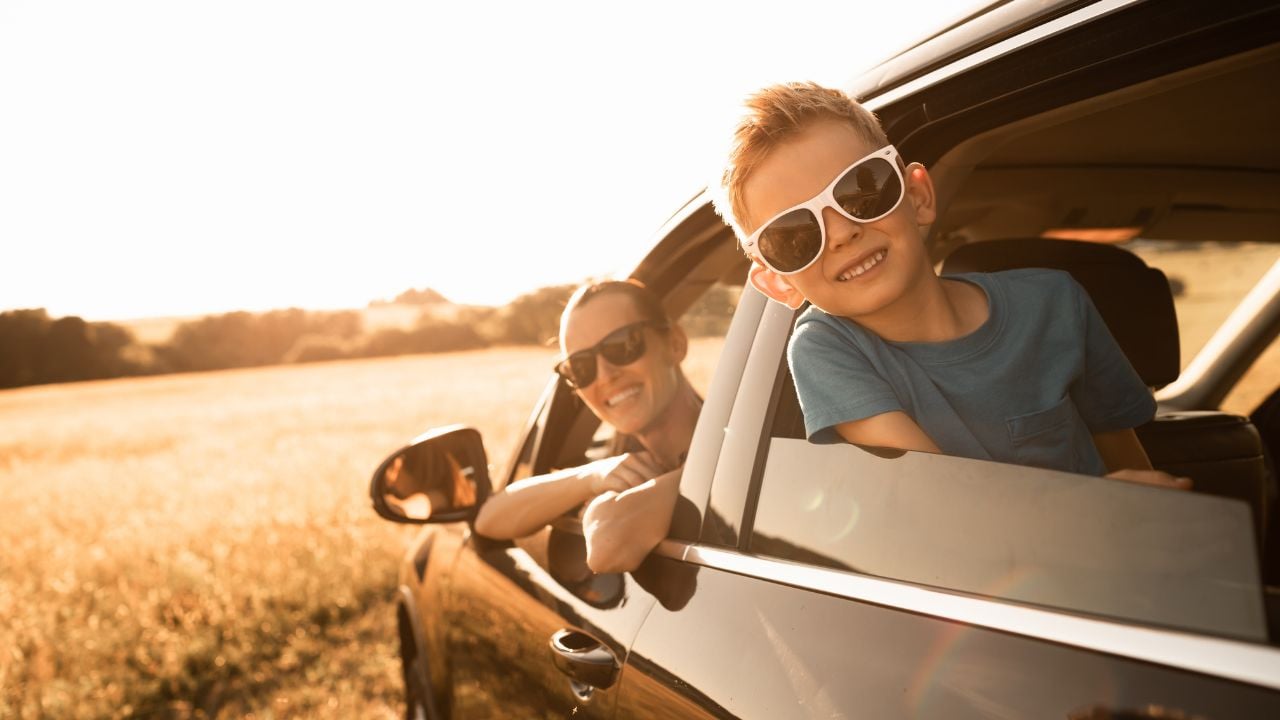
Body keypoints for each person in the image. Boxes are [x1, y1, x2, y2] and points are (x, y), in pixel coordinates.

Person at [710, 81, 1187, 488]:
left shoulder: (1055, 302)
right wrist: (1101, 517)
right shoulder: (825, 348)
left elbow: (1133, 474)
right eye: (793, 237)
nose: (841, 233)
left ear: (917, 195)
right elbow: (946, 503)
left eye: (862, 189)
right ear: (777, 283)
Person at [474, 280, 703, 572]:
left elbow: (606, 548)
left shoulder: (734, 453)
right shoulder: (621, 462)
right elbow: (489, 520)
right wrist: (591, 476)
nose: (605, 376)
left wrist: (602, 505)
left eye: (622, 346)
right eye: (581, 367)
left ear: (675, 344)